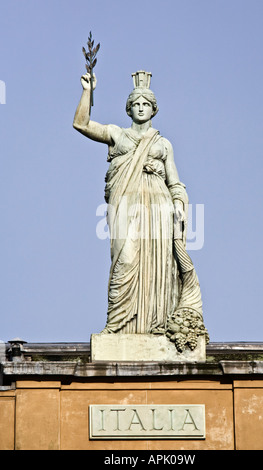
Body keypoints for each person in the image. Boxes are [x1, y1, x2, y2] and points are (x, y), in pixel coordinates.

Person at [73, 71, 208, 348]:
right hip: (126, 204)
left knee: (158, 265)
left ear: (154, 109)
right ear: (129, 108)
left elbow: (175, 182)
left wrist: (180, 206)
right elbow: (81, 124)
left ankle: (156, 325)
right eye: (136, 104)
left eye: (146, 104)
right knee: (125, 259)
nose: (141, 108)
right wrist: (88, 91)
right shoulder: (117, 135)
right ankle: (117, 324)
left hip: (159, 207)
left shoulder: (162, 144)